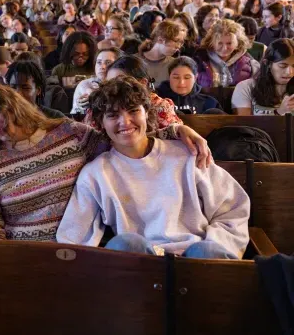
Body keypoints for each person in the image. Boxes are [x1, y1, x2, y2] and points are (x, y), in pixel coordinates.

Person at [0, 84, 211, 242]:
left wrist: (176, 131)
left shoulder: (68, 133)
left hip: (79, 245)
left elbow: (123, 143)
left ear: (11, 105)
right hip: (22, 253)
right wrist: (1, 257)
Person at [56, 77, 249, 259]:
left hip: (194, 257)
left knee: (207, 251)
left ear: (146, 113)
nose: (125, 122)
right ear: (101, 123)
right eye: (113, 115)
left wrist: (214, 243)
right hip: (142, 262)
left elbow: (232, 208)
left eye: (133, 111)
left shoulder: (186, 154)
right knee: (125, 244)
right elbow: (73, 237)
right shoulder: (96, 174)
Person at [84, 55, 183, 129]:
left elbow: (176, 135)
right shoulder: (101, 104)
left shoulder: (159, 106)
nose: (113, 88)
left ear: (142, 83)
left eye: (121, 82)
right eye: (109, 83)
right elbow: (89, 137)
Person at [232, 39, 294, 116]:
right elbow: (245, 124)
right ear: (267, 64)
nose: (290, 72)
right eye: (283, 66)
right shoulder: (246, 87)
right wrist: (279, 112)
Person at [195, 19, 259, 88]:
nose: (224, 48)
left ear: (238, 43)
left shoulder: (251, 64)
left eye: (229, 43)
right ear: (212, 42)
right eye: (219, 43)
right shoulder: (198, 60)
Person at [156, 57, 221, 115]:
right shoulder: (156, 100)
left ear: (195, 78)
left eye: (187, 78)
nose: (181, 83)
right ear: (169, 77)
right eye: (176, 77)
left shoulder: (209, 103)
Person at [71, 47, 122, 115]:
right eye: (99, 62)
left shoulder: (123, 84)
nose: (102, 66)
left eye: (108, 62)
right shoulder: (85, 84)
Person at [138, 20, 184, 86]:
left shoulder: (174, 64)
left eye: (181, 42)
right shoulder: (134, 60)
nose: (178, 46)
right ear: (160, 40)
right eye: (176, 41)